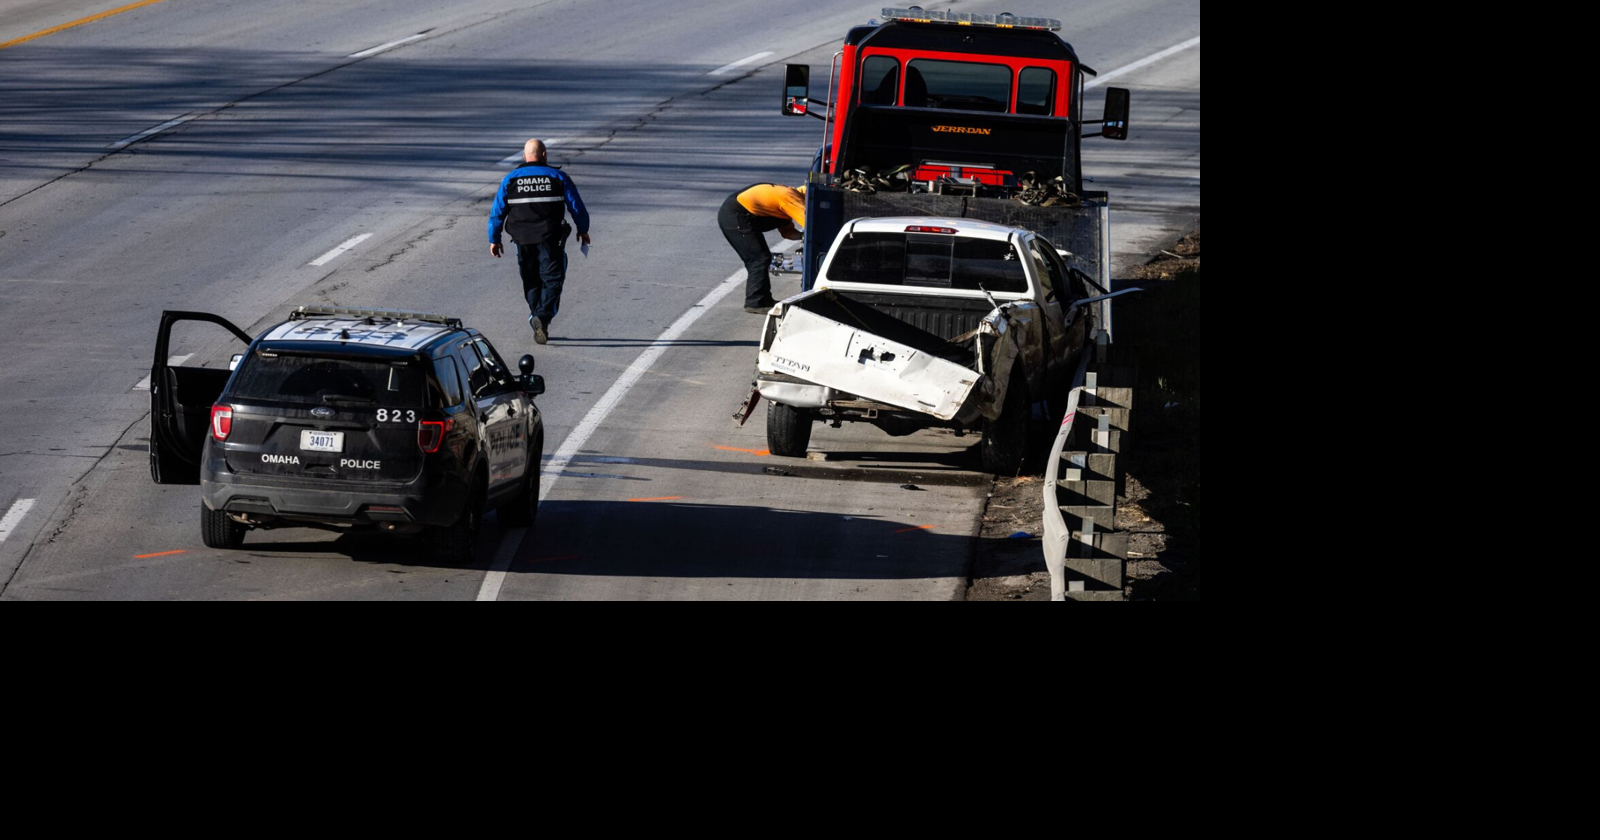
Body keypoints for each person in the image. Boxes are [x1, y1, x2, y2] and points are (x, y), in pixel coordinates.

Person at [488, 139, 591, 345]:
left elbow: (497, 212)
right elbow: (576, 207)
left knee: (531, 280)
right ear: (544, 155)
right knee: (553, 279)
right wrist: (583, 229)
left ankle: (536, 315)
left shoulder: (510, 179)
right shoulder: (558, 176)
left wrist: (494, 239)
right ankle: (542, 317)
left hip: (522, 240)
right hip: (550, 239)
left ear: (525, 157)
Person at [718, 183, 805, 314]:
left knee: (761, 258)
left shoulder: (787, 199)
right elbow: (812, 225)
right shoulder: (791, 198)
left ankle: (762, 300)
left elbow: (788, 233)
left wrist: (802, 236)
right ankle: (756, 302)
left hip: (739, 215)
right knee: (758, 259)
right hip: (736, 216)